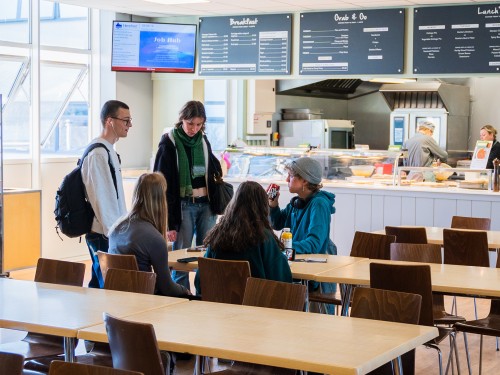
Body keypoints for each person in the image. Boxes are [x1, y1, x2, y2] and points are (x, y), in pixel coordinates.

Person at [153, 100, 222, 290]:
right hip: (183, 205)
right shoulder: (169, 142)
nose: (194, 128)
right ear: (182, 119)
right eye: (190, 123)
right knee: (181, 256)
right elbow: (162, 184)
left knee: (206, 253)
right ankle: (180, 294)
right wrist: (170, 223)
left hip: (206, 205)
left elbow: (212, 169)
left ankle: (204, 293)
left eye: (199, 124)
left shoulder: (203, 140)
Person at [194, 181, 292, 295]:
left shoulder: (218, 234)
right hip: (256, 305)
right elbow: (282, 280)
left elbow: (199, 282)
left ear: (234, 203)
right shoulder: (264, 237)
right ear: (263, 206)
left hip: (219, 306)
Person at [268, 157, 337, 314]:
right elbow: (277, 223)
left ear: (304, 181)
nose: (286, 179)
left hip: (318, 272)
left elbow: (314, 243)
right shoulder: (296, 203)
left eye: (291, 176)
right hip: (300, 262)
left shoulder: (318, 204)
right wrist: (273, 205)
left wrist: (284, 246)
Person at [108, 172, 190, 297]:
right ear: (160, 199)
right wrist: (185, 291)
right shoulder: (154, 238)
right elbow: (167, 288)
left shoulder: (116, 228)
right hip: (145, 302)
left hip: (118, 300)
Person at [82, 100, 131, 288]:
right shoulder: (98, 154)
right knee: (107, 286)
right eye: (125, 121)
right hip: (103, 232)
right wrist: (115, 235)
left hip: (109, 231)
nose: (129, 125)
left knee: (100, 283)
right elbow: (102, 198)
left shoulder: (107, 150)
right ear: (110, 121)